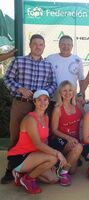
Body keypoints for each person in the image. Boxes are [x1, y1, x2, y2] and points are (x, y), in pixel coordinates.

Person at [2, 34, 57, 184]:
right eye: (35, 44)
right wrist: (19, 89)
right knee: (16, 136)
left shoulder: (48, 65)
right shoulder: (19, 61)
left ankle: (33, 166)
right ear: (30, 45)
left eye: (41, 44)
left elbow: (53, 84)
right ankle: (11, 169)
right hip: (21, 103)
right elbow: (7, 78)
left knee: (41, 136)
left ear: (44, 47)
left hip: (38, 106)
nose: (38, 47)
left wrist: (43, 94)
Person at [7, 90, 68, 194]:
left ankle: (21, 174)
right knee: (53, 158)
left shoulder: (46, 117)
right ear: (34, 102)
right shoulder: (30, 119)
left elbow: (45, 141)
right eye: (39, 100)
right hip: (20, 157)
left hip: (35, 155)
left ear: (49, 101)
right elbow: (38, 144)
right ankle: (27, 179)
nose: (42, 102)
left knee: (53, 179)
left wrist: (51, 164)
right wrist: (58, 154)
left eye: (45, 99)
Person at [49, 81, 83, 185]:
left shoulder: (77, 105)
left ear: (73, 92)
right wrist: (68, 138)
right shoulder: (58, 109)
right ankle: (62, 173)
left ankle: (62, 165)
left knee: (72, 171)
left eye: (70, 90)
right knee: (78, 147)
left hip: (74, 140)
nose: (67, 93)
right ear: (60, 93)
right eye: (64, 90)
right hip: (60, 140)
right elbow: (54, 130)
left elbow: (85, 119)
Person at [46, 35, 85, 113]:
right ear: (59, 45)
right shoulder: (50, 58)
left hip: (71, 99)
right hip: (54, 99)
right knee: (53, 123)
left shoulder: (77, 60)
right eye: (63, 44)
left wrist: (81, 94)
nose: (66, 47)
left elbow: (81, 79)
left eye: (69, 45)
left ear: (72, 46)